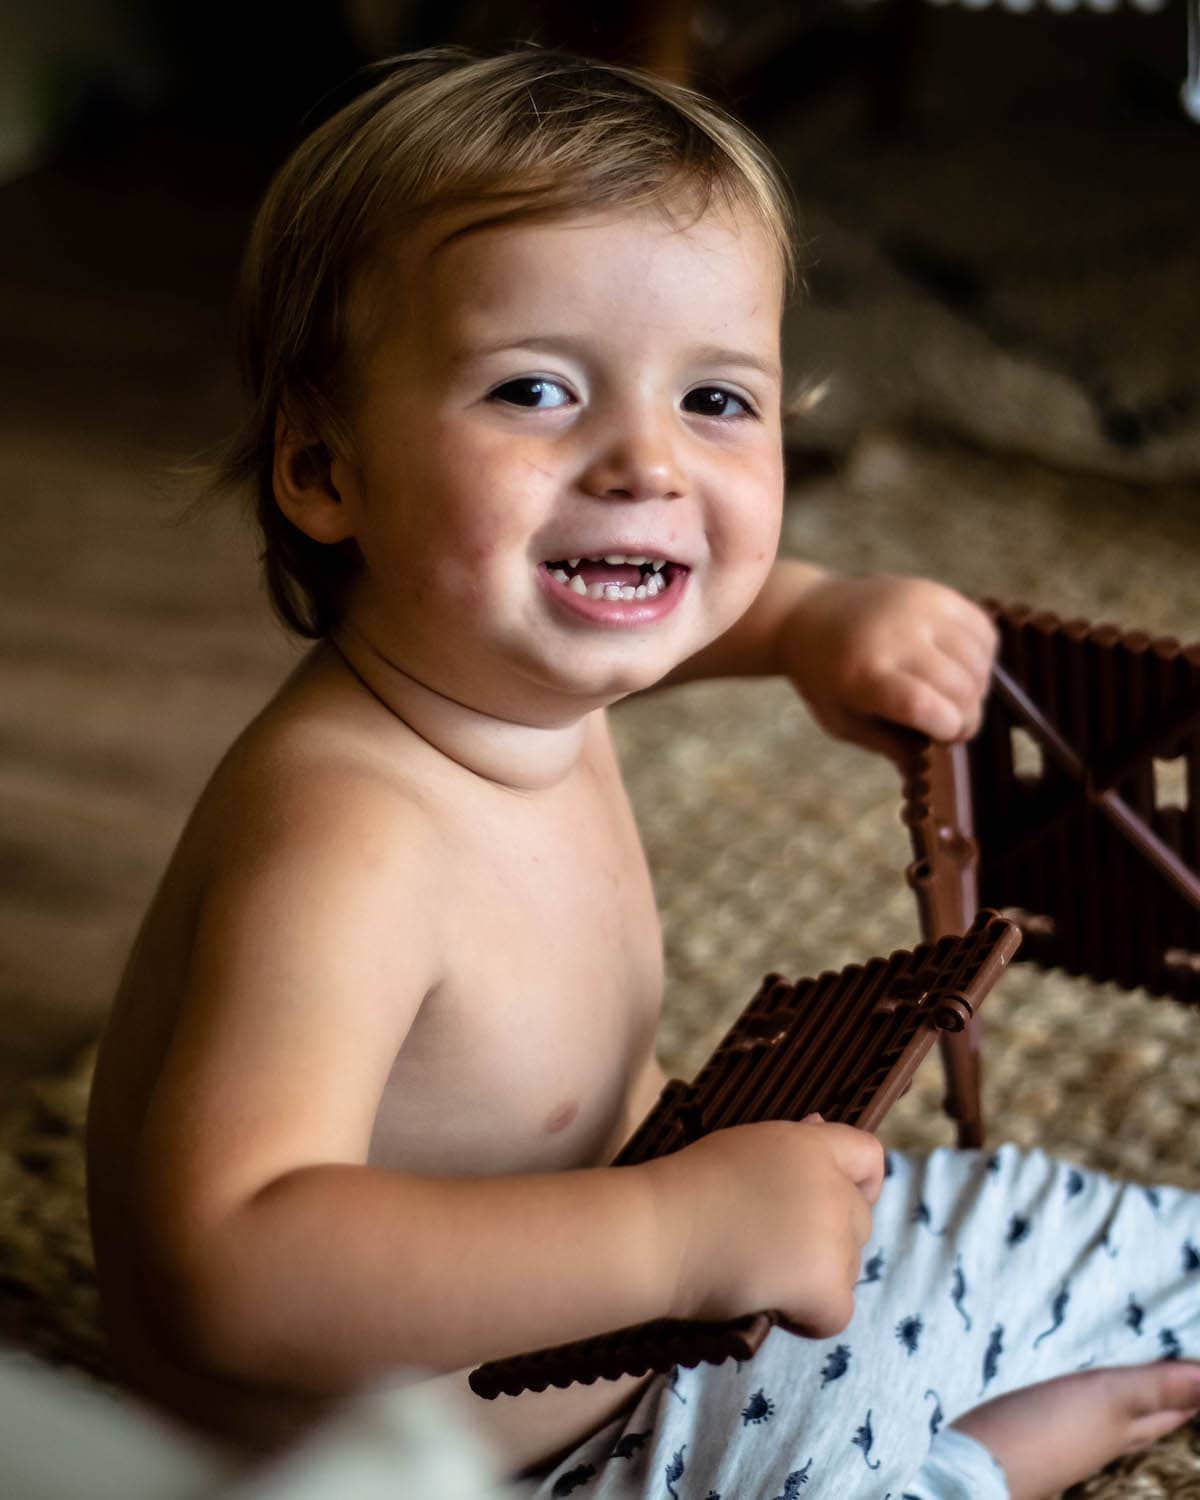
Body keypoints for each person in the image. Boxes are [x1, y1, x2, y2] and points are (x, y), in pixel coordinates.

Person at [85, 48, 1200, 1499]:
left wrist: (808, 621)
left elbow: (641, 615)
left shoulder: (493, 662)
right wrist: (678, 1234)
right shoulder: (347, 837)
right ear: (322, 467)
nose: (646, 462)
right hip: (457, 1460)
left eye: (719, 403)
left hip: (685, 1266)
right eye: (537, 389)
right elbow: (227, 1270)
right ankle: (971, 1467)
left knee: (1132, 1240)